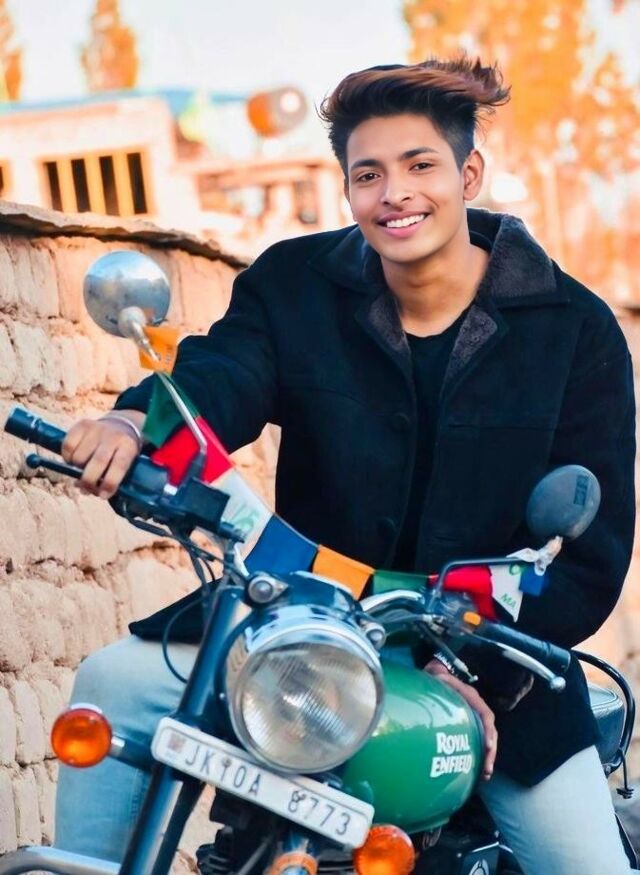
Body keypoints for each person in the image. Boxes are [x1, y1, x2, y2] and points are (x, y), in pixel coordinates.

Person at [56, 57, 635, 873]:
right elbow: (224, 375)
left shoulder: (575, 328)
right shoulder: (295, 284)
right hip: (300, 636)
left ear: (469, 174)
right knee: (112, 681)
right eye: (369, 174)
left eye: (421, 165)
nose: (395, 193)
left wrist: (463, 666)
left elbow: (587, 561)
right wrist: (134, 421)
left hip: (490, 663)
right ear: (348, 189)